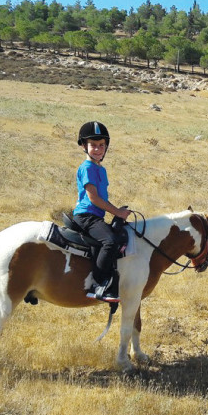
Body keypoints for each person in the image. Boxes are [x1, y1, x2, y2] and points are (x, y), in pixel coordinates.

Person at [73, 121, 131, 303]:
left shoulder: (100, 169)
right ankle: (97, 285)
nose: (97, 149)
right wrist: (117, 212)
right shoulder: (87, 168)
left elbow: (102, 200)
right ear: (84, 146)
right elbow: (94, 199)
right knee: (110, 241)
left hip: (95, 215)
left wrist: (118, 210)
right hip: (86, 215)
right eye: (93, 145)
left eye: (101, 145)